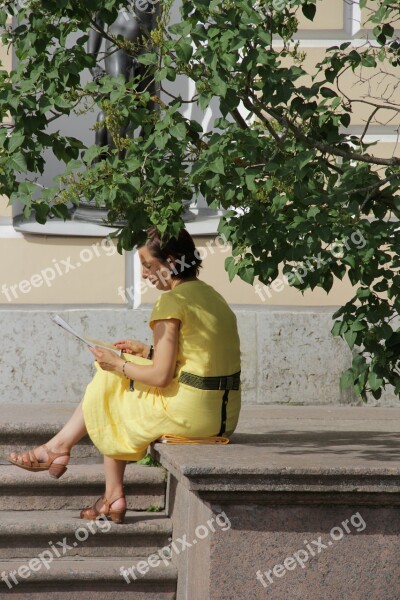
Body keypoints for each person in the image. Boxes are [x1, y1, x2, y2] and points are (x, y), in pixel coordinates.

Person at [7, 228, 241, 524]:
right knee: (114, 377)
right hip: (223, 415)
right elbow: (202, 360)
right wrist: (147, 352)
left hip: (192, 417)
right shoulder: (212, 296)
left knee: (111, 385)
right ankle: (102, 487)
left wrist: (118, 365)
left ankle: (63, 454)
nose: (144, 275)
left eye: (147, 265)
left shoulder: (171, 302)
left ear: (170, 262)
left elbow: (159, 377)